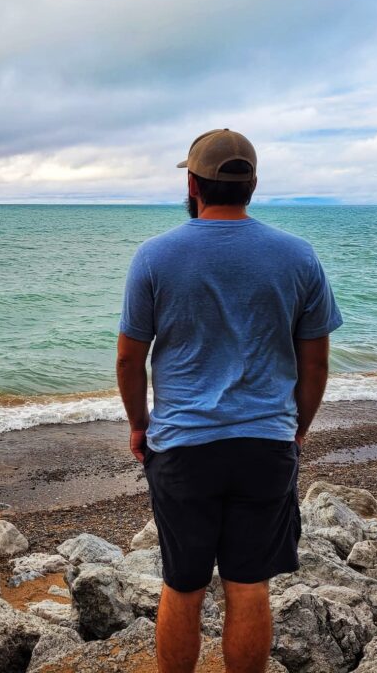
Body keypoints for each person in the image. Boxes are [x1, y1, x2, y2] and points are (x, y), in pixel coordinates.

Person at [116, 128, 342, 673]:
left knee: (183, 585)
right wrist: (298, 426)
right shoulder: (298, 256)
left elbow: (130, 361)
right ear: (254, 185)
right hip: (266, 444)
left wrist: (139, 426)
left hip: (184, 447)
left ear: (193, 185)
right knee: (248, 587)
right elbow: (315, 363)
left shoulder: (154, 257)